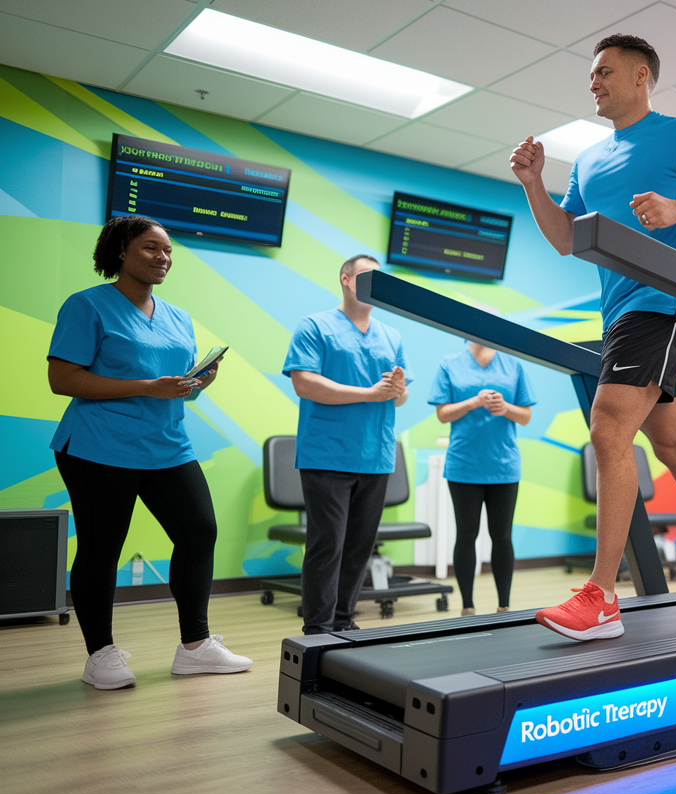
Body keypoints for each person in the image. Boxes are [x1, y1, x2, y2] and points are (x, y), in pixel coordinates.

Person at [511, 33, 676, 641]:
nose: (595, 82)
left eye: (605, 71)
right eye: (591, 75)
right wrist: (533, 184)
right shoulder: (588, 161)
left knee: (607, 427)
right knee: (674, 446)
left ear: (641, 78)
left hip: (662, 305)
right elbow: (564, 239)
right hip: (620, 314)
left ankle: (602, 596)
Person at [47, 215, 252, 690]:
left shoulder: (177, 316)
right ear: (121, 251)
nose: (164, 258)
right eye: (151, 248)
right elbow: (63, 379)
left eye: (168, 251)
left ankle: (196, 648)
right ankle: (100, 655)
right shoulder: (87, 305)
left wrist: (196, 384)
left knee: (200, 532)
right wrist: (148, 387)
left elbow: (172, 389)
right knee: (103, 548)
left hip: (167, 444)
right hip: (99, 446)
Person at [283, 255, 411, 635]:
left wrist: (395, 391)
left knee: (359, 549)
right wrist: (370, 394)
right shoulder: (315, 327)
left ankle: (344, 621)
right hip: (327, 455)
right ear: (346, 280)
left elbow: (398, 397)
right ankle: (318, 628)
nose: (374, 284)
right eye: (367, 277)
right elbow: (304, 382)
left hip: (376, 456)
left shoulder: (392, 336)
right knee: (328, 547)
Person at [429, 342, 535, 615]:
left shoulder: (513, 366)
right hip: (464, 466)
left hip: (504, 466)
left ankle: (504, 606)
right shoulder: (449, 364)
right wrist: (474, 402)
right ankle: (467, 607)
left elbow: (525, 416)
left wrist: (505, 408)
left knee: (502, 536)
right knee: (466, 535)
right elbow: (442, 414)